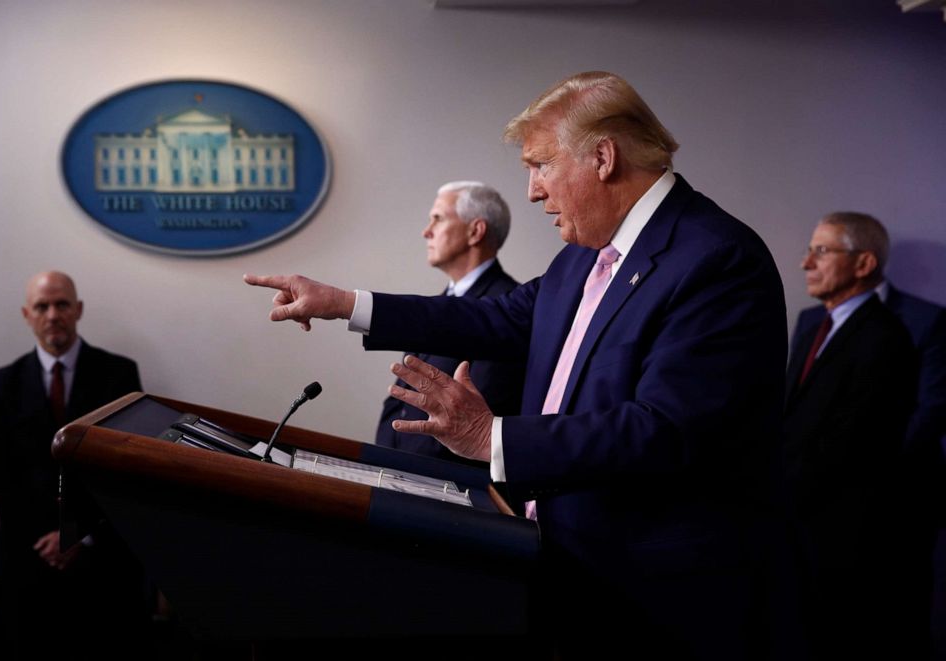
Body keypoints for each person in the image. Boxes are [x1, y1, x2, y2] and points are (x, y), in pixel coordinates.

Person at [245, 71, 794, 658]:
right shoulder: (584, 257)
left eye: (540, 165)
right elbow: (493, 319)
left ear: (603, 158)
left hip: (655, 596)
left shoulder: (717, 258)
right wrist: (346, 304)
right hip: (562, 564)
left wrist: (490, 436)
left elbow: (666, 429)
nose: (532, 191)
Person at [788, 211, 946, 656]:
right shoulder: (810, 322)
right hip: (809, 515)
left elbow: (919, 416)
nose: (806, 262)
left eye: (822, 251)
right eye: (810, 250)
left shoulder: (899, 329)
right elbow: (798, 414)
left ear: (864, 264)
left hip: (875, 512)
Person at [0, 271, 148, 661]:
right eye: (42, 306)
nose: (52, 314)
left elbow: (125, 470)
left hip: (103, 562)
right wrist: (50, 539)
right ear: (27, 314)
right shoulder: (1, 383)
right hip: (28, 560)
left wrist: (76, 535)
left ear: (78, 310)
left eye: (62, 304)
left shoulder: (120, 374)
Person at [375, 181, 524, 464]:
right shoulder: (438, 305)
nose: (426, 231)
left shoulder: (508, 307)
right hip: (401, 475)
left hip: (442, 483)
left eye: (438, 219)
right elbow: (399, 398)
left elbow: (478, 412)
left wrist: (412, 469)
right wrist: (387, 456)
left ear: (475, 231)